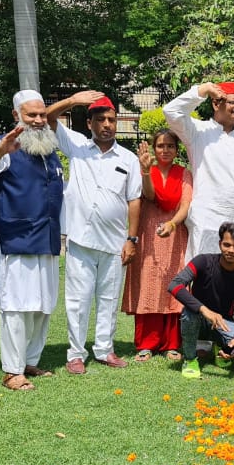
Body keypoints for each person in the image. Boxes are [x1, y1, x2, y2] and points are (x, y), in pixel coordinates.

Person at [45, 90, 140, 375]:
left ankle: (104, 349)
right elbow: (48, 118)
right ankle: (75, 353)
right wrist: (74, 100)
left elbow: (134, 200)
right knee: (78, 300)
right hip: (80, 240)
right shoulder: (76, 146)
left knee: (109, 300)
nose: (107, 125)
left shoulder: (128, 158)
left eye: (111, 119)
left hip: (114, 242)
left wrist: (131, 239)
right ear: (89, 124)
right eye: (101, 119)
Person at [0, 89, 63, 391]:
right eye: (31, 115)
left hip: (48, 240)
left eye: (42, 115)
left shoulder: (49, 148)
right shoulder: (2, 145)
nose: (39, 120)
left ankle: (30, 361)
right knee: (16, 306)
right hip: (17, 240)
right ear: (16, 116)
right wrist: (0, 152)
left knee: (43, 305)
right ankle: (12, 371)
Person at [163, 81, 234, 268]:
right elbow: (171, 111)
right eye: (231, 102)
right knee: (204, 281)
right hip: (207, 222)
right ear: (215, 104)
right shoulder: (197, 131)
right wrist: (201, 90)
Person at [123, 129, 193, 362]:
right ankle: (146, 344)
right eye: (160, 146)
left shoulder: (184, 174)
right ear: (154, 148)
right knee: (148, 284)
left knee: (172, 284)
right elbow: (150, 196)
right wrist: (145, 171)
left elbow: (185, 205)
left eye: (170, 146)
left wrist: (173, 224)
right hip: (148, 234)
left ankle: (172, 344)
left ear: (176, 149)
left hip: (174, 234)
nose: (165, 150)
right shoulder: (145, 171)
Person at [168, 222, 234, 379]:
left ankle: (221, 346)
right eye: (226, 244)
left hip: (222, 322)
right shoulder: (202, 261)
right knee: (189, 313)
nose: (230, 250)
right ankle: (190, 359)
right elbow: (174, 285)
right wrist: (205, 310)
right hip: (196, 317)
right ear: (220, 244)